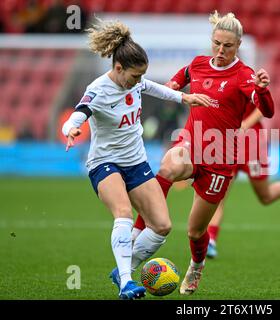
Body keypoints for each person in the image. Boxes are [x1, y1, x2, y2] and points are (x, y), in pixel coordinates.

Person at [62, 19, 210, 299]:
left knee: (162, 226)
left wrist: (183, 98)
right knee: (124, 214)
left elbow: (152, 88)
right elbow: (77, 113)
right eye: (134, 76)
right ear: (118, 68)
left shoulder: (136, 83)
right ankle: (127, 283)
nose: (138, 81)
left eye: (141, 76)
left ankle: (123, 270)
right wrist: (71, 129)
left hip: (136, 162)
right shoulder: (98, 91)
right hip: (105, 163)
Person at [132, 10, 275, 295]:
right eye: (217, 43)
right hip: (190, 143)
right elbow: (174, 84)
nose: (221, 50)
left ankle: (196, 266)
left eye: (228, 46)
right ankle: (140, 234)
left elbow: (267, 111)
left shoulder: (245, 75)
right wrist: (167, 89)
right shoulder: (197, 64)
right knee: (167, 169)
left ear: (238, 45)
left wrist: (264, 90)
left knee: (195, 232)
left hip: (220, 158)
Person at [206, 101, 280, 259]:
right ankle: (211, 241)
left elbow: (263, 106)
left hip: (253, 145)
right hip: (226, 144)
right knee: (217, 198)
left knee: (265, 196)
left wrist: (243, 125)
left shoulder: (249, 77)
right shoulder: (216, 79)